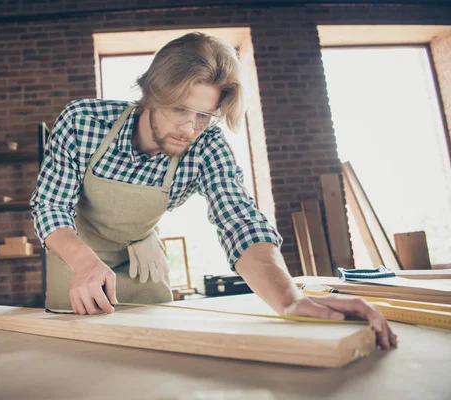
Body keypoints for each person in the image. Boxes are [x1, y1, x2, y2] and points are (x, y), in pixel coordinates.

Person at [30, 32, 397, 349]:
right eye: (179, 110)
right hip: (75, 260)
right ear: (150, 95)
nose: (189, 129)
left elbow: (239, 220)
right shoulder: (83, 120)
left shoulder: (207, 146)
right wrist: (83, 262)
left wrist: (290, 301)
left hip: (141, 265)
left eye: (204, 115)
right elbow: (50, 204)